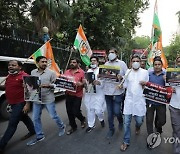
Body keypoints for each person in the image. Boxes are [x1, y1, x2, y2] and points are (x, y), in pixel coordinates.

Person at [26, 56, 65, 146]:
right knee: (35, 118)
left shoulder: (51, 73)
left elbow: (56, 85)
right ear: (37, 63)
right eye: (42, 62)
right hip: (36, 99)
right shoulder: (33, 72)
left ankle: (62, 126)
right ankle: (39, 136)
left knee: (53, 116)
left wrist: (49, 86)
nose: (44, 63)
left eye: (45, 62)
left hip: (48, 98)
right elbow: (31, 84)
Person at [0, 60, 35, 152]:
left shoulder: (25, 76)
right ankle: (33, 131)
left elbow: (31, 91)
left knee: (12, 123)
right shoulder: (9, 76)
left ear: (20, 67)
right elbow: (5, 87)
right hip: (12, 103)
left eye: (13, 65)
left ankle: (2, 145)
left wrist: (27, 104)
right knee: (24, 117)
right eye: (9, 65)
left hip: (20, 103)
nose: (10, 66)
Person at [120, 55, 149, 151]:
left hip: (139, 101)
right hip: (128, 101)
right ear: (131, 62)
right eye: (134, 61)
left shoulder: (145, 72)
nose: (135, 62)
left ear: (140, 62)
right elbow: (124, 85)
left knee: (139, 120)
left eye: (137, 61)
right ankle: (126, 141)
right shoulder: (128, 72)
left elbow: (148, 88)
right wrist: (120, 82)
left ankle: (137, 127)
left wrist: (145, 84)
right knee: (126, 122)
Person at [103, 48, 128, 138]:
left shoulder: (122, 64)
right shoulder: (106, 64)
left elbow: (127, 75)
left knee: (117, 111)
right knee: (110, 113)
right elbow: (104, 76)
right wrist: (100, 76)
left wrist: (122, 77)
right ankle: (111, 129)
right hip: (107, 91)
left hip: (118, 91)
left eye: (112, 52)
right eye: (109, 52)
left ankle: (120, 121)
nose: (110, 54)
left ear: (116, 54)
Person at [63, 58, 86, 135]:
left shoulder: (82, 72)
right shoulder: (66, 72)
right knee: (69, 112)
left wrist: (81, 84)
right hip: (68, 94)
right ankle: (73, 127)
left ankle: (82, 119)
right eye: (71, 62)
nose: (72, 63)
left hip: (77, 95)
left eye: (74, 62)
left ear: (78, 64)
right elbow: (63, 80)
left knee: (76, 111)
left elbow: (85, 84)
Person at [84, 56, 106, 133]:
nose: (93, 62)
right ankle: (91, 125)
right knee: (90, 110)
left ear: (97, 62)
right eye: (91, 61)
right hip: (90, 94)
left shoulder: (101, 71)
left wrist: (99, 82)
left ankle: (101, 119)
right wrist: (85, 82)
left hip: (99, 94)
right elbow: (86, 82)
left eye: (94, 61)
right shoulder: (88, 71)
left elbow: (104, 82)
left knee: (98, 111)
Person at [146, 57, 166, 136]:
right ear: (153, 66)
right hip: (150, 102)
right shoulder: (149, 75)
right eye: (155, 64)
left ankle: (158, 127)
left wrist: (166, 81)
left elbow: (169, 88)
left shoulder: (165, 76)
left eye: (159, 64)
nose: (157, 66)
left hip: (161, 102)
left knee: (162, 121)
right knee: (149, 120)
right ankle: (150, 137)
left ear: (162, 65)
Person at [169, 56, 180, 154]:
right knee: (176, 130)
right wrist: (169, 88)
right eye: (179, 61)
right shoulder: (171, 74)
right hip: (174, 106)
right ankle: (176, 150)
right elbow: (165, 88)